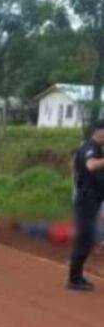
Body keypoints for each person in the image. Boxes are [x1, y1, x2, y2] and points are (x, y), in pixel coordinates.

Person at [67, 120, 104, 291]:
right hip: (86, 200)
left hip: (92, 199)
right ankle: (74, 278)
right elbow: (90, 165)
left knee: (87, 237)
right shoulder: (90, 147)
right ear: (99, 130)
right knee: (85, 237)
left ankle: (77, 276)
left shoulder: (95, 148)